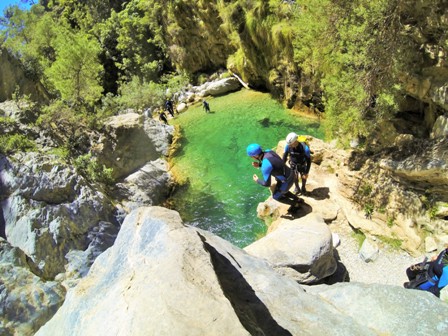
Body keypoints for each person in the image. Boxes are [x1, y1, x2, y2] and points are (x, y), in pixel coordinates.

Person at [247, 143, 303, 212]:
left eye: (251, 156)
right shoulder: (269, 151)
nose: (251, 158)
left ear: (255, 156)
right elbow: (275, 163)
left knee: (276, 196)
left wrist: (257, 180)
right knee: (281, 190)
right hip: (291, 173)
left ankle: (296, 204)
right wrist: (259, 164)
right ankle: (298, 199)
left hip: (286, 181)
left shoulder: (265, 165)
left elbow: (267, 184)